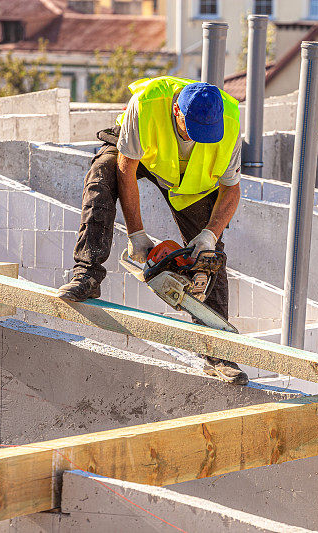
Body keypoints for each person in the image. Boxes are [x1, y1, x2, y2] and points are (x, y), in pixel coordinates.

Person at [56, 76, 247, 385]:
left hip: (190, 182)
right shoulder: (146, 105)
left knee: (209, 257)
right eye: (193, 131)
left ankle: (217, 352)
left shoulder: (228, 120)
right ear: (176, 111)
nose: (198, 140)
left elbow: (231, 190)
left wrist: (209, 235)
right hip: (140, 155)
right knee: (101, 176)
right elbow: (126, 169)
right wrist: (137, 235)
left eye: (206, 135)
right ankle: (87, 274)